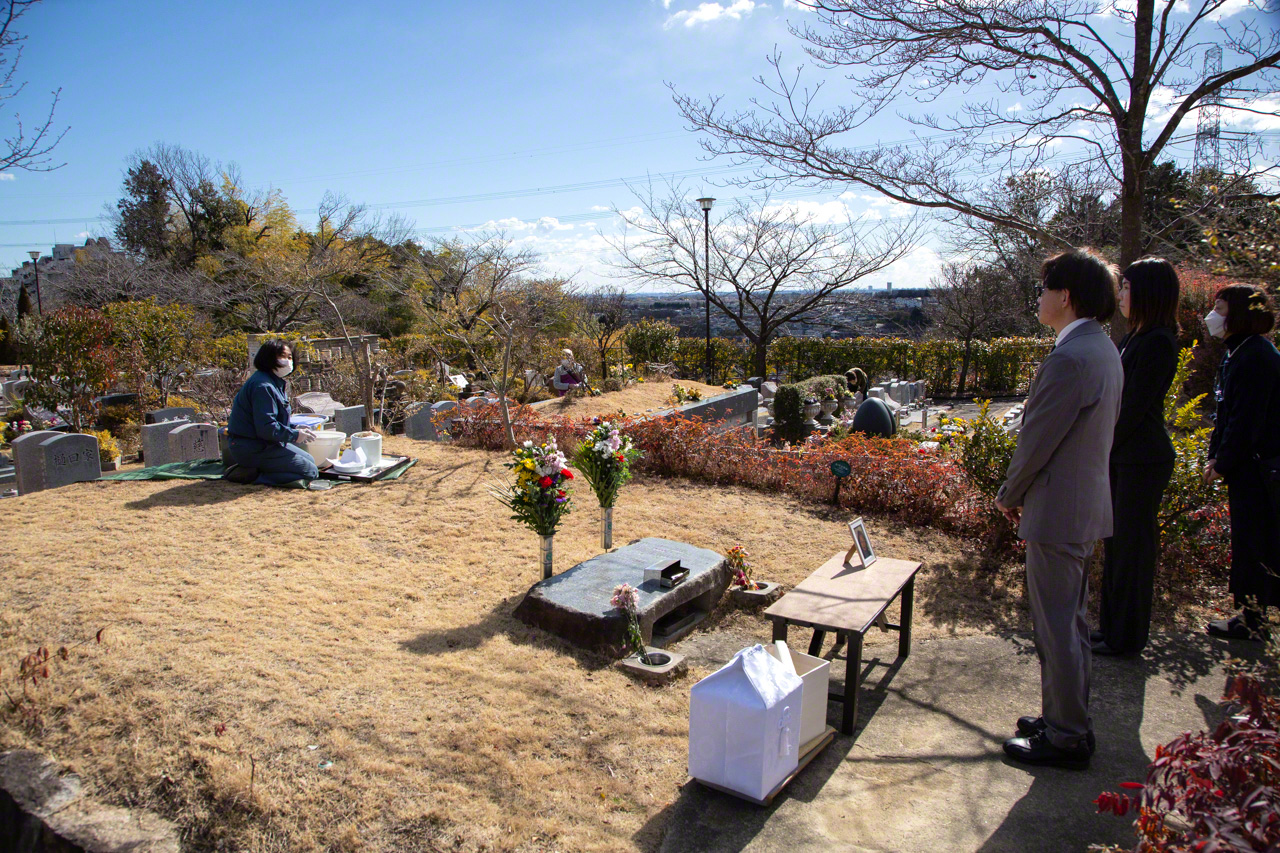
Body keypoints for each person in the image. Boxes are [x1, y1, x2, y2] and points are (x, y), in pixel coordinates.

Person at [995, 248, 1123, 769]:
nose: (1039, 298)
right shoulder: (1102, 349)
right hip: (1083, 503)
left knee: (1057, 626)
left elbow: (1036, 442)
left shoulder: (1069, 359)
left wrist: (1008, 494)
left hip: (1058, 507)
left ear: (1065, 296)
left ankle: (1067, 735)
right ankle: (1064, 716)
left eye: (1044, 288)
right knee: (1069, 622)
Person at [1095, 259, 1180, 656]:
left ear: (1147, 293)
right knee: (1117, 548)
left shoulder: (1159, 341)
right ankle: (1110, 628)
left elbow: (1132, 408)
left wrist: (1099, 443)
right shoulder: (1134, 336)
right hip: (1125, 457)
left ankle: (1126, 637)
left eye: (1127, 287)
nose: (1121, 295)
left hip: (1142, 459)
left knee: (1132, 551)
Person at [1203, 284, 1280, 641]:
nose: (1213, 315)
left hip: (1259, 469)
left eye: (1219, 307)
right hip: (1249, 466)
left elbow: (1246, 420)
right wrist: (1215, 454)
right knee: (1252, 540)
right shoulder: (1239, 352)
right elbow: (1226, 413)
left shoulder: (1256, 356)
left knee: (1256, 541)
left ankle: (1253, 619)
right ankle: (1253, 614)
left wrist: (1224, 461)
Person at [225, 339, 322, 487]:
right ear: (268, 357)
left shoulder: (272, 382)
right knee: (310, 471)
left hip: (264, 444)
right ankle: (253, 475)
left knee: (310, 460)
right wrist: (295, 435)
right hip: (251, 447)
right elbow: (266, 428)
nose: (287, 361)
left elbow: (275, 419)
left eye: (290, 357)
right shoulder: (263, 386)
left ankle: (256, 469)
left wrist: (295, 429)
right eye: (282, 356)